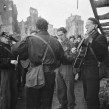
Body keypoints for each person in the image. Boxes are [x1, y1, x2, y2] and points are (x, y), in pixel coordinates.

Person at [11, 18, 75, 109]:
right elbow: (64, 59)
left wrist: (26, 53)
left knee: (32, 102)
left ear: (36, 27)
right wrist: (73, 56)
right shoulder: (55, 41)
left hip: (34, 73)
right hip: (49, 75)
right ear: (47, 27)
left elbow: (14, 49)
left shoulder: (30, 39)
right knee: (46, 102)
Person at [81, 17, 108, 109]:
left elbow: (103, 52)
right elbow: (82, 53)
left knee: (91, 98)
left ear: (95, 26)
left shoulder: (101, 37)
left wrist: (91, 41)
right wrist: (76, 50)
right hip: (85, 70)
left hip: (94, 70)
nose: (86, 27)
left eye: (88, 25)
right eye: (85, 25)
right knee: (87, 96)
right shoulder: (87, 37)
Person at [56, 27, 76, 109]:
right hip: (58, 67)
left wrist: (66, 55)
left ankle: (71, 105)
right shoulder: (57, 44)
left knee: (69, 88)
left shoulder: (71, 44)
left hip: (67, 66)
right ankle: (63, 104)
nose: (60, 37)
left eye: (61, 34)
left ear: (65, 33)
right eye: (59, 35)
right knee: (60, 87)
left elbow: (72, 57)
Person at [0, 32, 18, 109]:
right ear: (1, 38)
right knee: (5, 93)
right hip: (4, 72)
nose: (7, 39)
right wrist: (9, 61)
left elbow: (17, 42)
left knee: (13, 92)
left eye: (9, 38)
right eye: (6, 38)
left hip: (11, 71)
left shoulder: (9, 46)